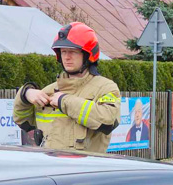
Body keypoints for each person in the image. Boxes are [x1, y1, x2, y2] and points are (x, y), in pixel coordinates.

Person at [13, 22, 120, 153]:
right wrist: (25, 95)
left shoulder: (105, 88)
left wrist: (64, 101)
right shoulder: (49, 90)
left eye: (73, 52)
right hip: (52, 167)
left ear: (88, 55)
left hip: (86, 169)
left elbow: (108, 121)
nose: (67, 57)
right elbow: (24, 122)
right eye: (63, 52)